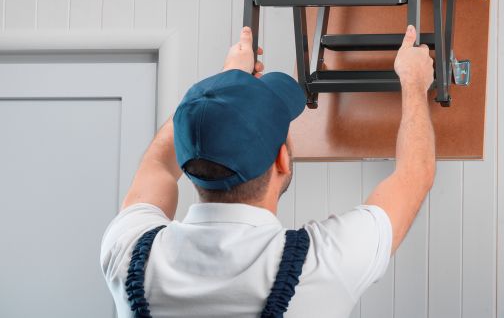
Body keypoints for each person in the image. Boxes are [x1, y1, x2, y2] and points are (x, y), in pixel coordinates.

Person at [100, 25, 435, 317]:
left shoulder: (128, 253)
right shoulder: (322, 264)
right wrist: (415, 81)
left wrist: (219, 91)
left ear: (191, 166)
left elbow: (156, 164)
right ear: (282, 160)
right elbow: (414, 175)